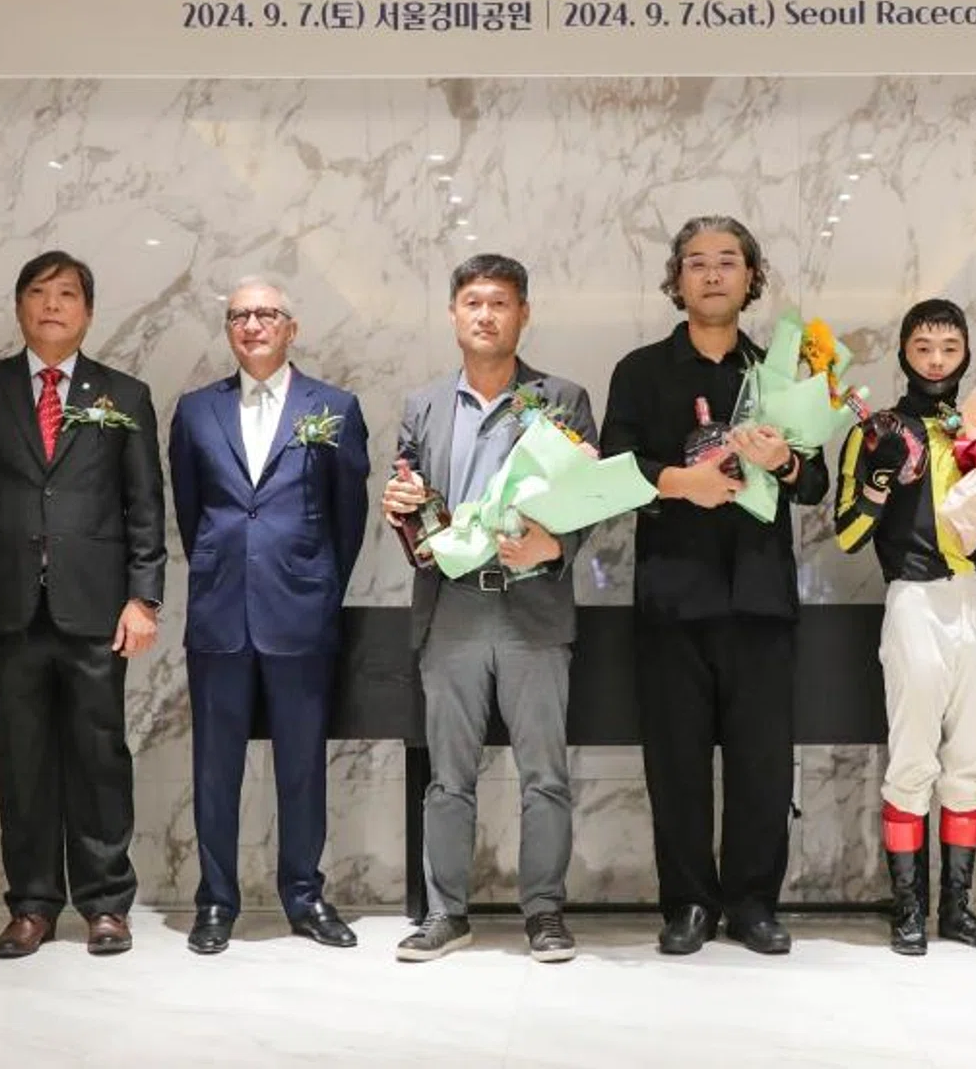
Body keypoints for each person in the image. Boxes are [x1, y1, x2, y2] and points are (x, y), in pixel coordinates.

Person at [600, 215, 830, 957]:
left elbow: (816, 477)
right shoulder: (640, 371)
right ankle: (689, 905)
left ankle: (755, 903)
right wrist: (680, 482)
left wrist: (785, 461)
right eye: (696, 262)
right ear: (676, 280)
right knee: (676, 764)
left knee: (764, 764)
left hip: (761, 599)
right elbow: (612, 471)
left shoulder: (781, 371)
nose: (711, 274)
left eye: (727, 261)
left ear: (750, 277)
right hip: (673, 598)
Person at [0, 250, 166, 958]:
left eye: (68, 294)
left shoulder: (124, 395)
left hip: (96, 610)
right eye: (40, 292)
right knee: (21, 758)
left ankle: (104, 903)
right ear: (19, 306)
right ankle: (32, 903)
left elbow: (144, 506)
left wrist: (143, 597)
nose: (53, 304)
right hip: (3, 611)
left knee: (99, 756)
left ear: (89, 313)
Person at [382, 254, 594, 964]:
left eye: (499, 303)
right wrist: (399, 509)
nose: (485, 314)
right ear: (453, 314)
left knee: (546, 774)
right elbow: (410, 502)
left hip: (534, 607)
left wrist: (555, 545)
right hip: (454, 610)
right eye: (472, 301)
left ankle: (545, 913)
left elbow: (588, 496)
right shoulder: (422, 405)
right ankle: (447, 913)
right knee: (449, 775)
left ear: (522, 314)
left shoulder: (562, 397)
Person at [167, 276, 369, 954]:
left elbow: (350, 517)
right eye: (238, 316)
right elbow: (191, 514)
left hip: (301, 612)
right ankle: (216, 902)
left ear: (291, 326)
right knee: (215, 767)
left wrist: (314, 584)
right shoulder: (196, 411)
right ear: (229, 330)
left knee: (302, 764)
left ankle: (305, 896)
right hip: (220, 612)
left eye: (265, 314)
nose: (252, 325)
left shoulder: (334, 406)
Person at [833, 299, 976, 956]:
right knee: (913, 757)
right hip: (913, 597)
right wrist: (881, 480)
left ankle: (959, 910)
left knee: (971, 760)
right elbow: (847, 534)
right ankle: (909, 909)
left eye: (950, 347)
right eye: (924, 347)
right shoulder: (875, 430)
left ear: (968, 353)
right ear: (903, 352)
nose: (937, 360)